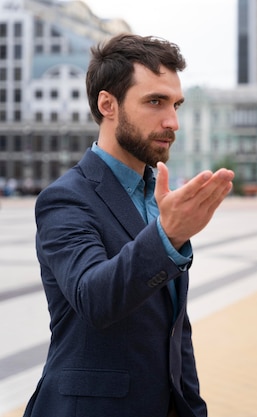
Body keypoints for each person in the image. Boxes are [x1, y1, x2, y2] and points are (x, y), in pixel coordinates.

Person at [24, 34, 234, 417]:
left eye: (176, 104)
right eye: (155, 101)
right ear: (108, 104)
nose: (172, 121)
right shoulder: (65, 199)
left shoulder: (158, 196)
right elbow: (94, 298)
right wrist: (167, 236)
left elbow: (173, 328)